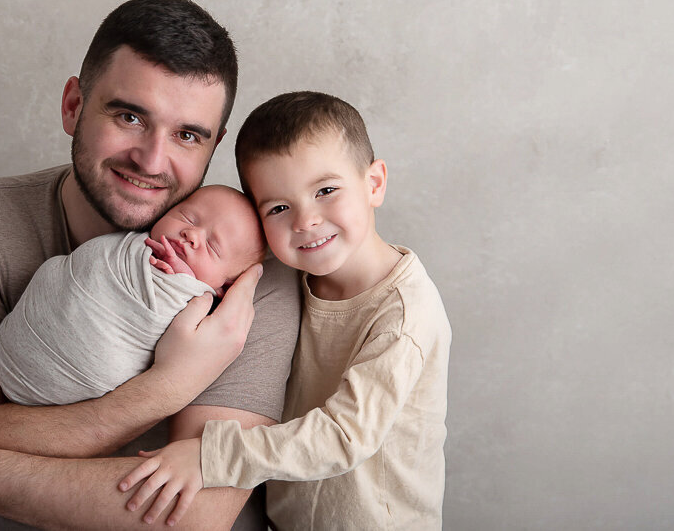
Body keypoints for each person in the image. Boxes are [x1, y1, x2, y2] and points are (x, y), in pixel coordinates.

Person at [0, 0, 301, 529]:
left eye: (187, 135)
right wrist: (169, 387)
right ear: (73, 106)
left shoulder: (248, 266)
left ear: (213, 146)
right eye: (130, 116)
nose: (152, 161)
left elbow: (197, 515)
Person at [118, 91, 451, 530]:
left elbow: (343, 437)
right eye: (279, 207)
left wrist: (208, 456)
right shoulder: (285, 274)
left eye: (326, 190)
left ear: (373, 184)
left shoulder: (404, 314)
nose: (305, 221)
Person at [0, 184, 266, 406]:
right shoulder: (130, 242)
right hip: (15, 346)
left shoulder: (201, 302)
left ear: (224, 288)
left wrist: (180, 280)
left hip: (74, 380)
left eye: (213, 246)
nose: (191, 234)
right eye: (187, 217)